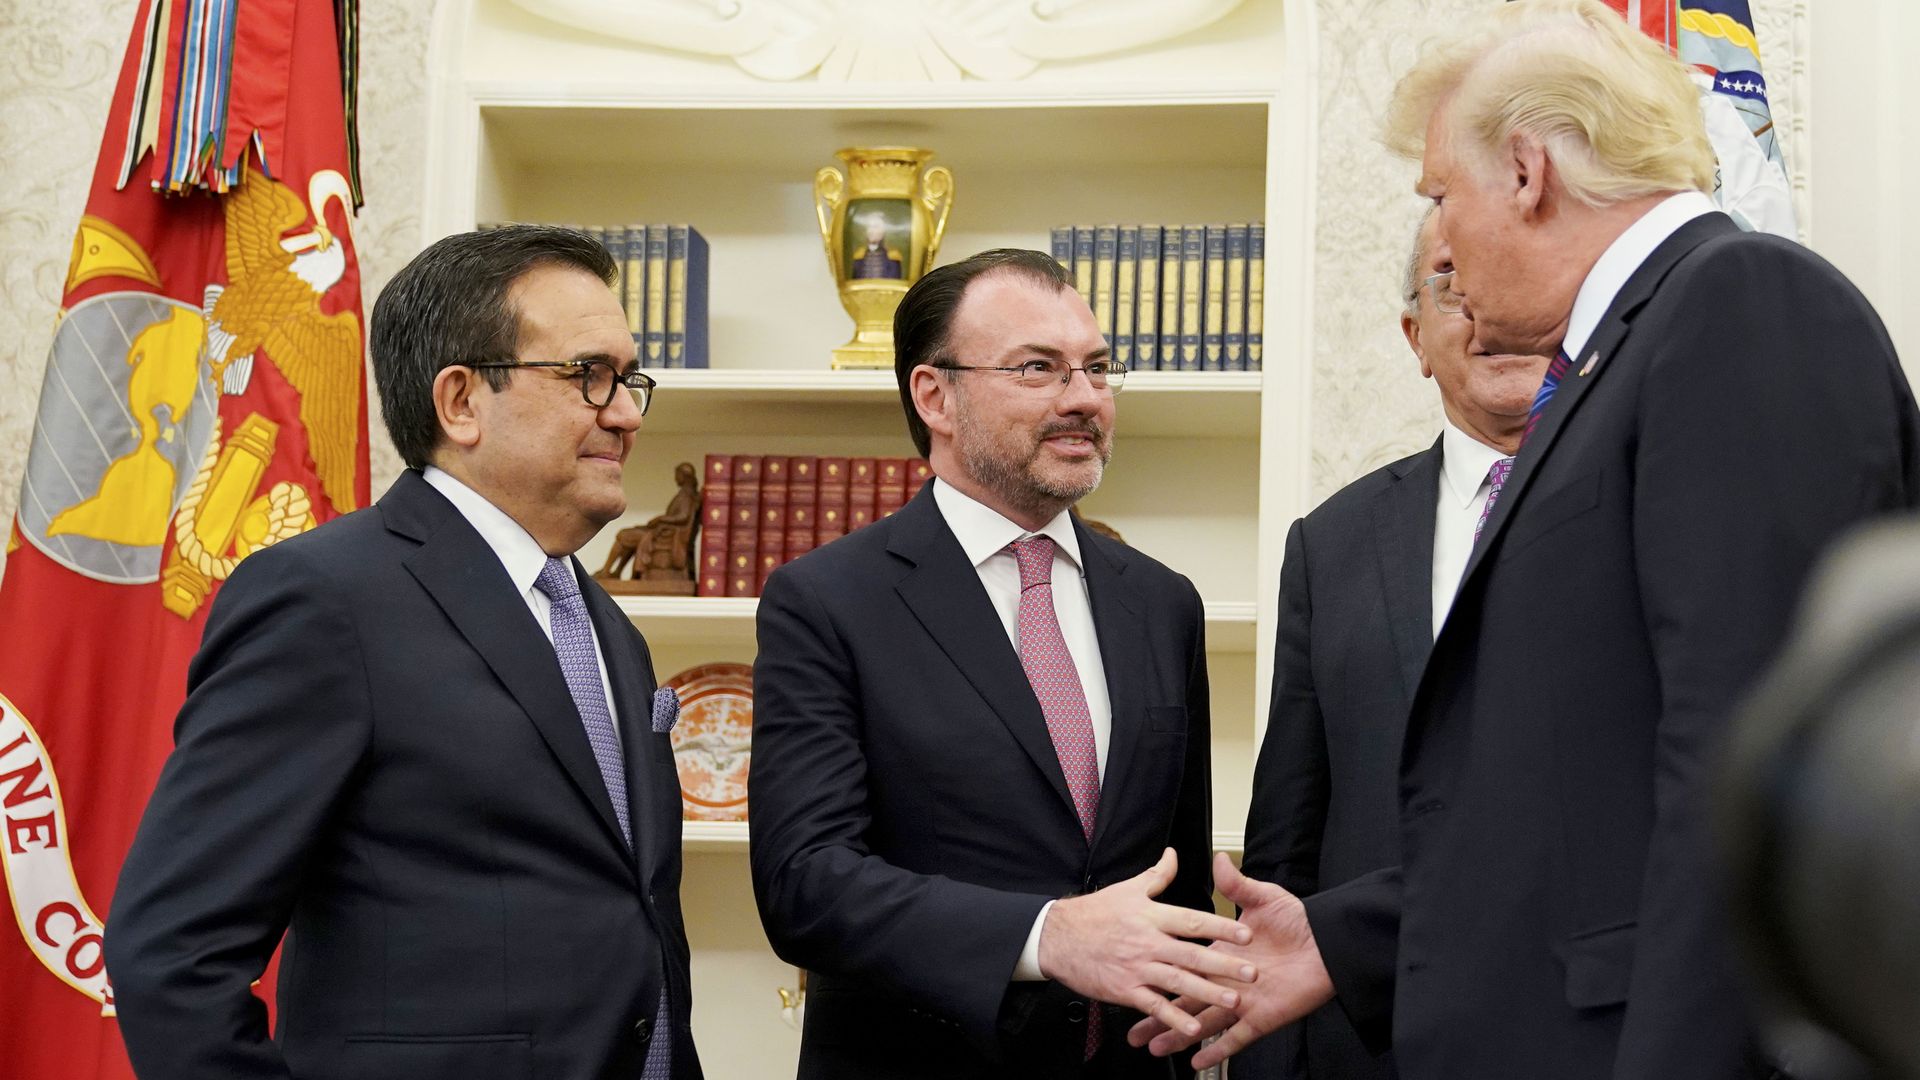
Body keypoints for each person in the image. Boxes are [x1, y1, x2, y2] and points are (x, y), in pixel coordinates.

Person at [1137, 2, 1920, 1076]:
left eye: (1439, 197)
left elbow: (1744, 772)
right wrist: (1346, 936)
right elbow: (1584, 793)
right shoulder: (1615, 370)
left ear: (1524, 171)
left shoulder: (1737, 302)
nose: (1442, 246)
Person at [105, 225, 703, 1080]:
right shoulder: (323, 599)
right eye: (588, 376)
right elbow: (171, 955)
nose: (628, 411)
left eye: (629, 378)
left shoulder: (608, 626)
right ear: (461, 401)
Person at [750, 247, 1248, 1079]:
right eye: (1038, 370)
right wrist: (1045, 936)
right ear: (934, 396)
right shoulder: (828, 601)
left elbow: (1178, 875)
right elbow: (808, 885)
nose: (1085, 399)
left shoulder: (1163, 604)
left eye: (1097, 368)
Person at [1235, 210, 1548, 1079]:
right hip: (1368, 1045)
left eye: (1512, 269)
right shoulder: (1330, 544)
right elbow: (1286, 840)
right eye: (1452, 279)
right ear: (1416, 335)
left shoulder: (1654, 507)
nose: (1485, 304)